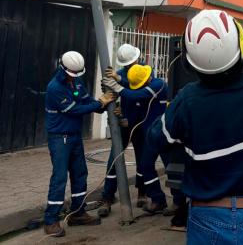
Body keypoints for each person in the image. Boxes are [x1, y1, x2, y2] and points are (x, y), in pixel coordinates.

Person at [144, 10, 243, 244]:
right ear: (240, 47)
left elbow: (156, 138)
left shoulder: (187, 100)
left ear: (188, 60)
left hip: (206, 219)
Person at [43, 51, 116, 237]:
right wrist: (99, 103)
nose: (73, 76)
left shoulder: (75, 81)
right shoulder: (55, 88)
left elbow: (85, 100)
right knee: (59, 178)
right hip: (60, 137)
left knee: (80, 173)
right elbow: (75, 110)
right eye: (71, 73)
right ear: (63, 68)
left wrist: (103, 105)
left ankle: (78, 213)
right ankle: (51, 220)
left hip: (74, 136)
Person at [100, 64, 175, 216]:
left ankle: (180, 202)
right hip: (149, 135)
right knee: (145, 166)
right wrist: (124, 114)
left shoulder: (159, 84)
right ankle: (158, 199)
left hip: (164, 134)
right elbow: (135, 97)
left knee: (171, 167)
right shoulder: (136, 80)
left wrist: (117, 84)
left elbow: (136, 95)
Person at [97, 44, 149, 216]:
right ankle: (107, 197)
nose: (130, 66)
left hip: (140, 123)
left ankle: (142, 192)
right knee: (114, 159)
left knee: (143, 159)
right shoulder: (119, 73)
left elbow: (139, 90)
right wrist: (116, 105)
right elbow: (113, 95)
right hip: (125, 123)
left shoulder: (145, 72)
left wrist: (120, 80)